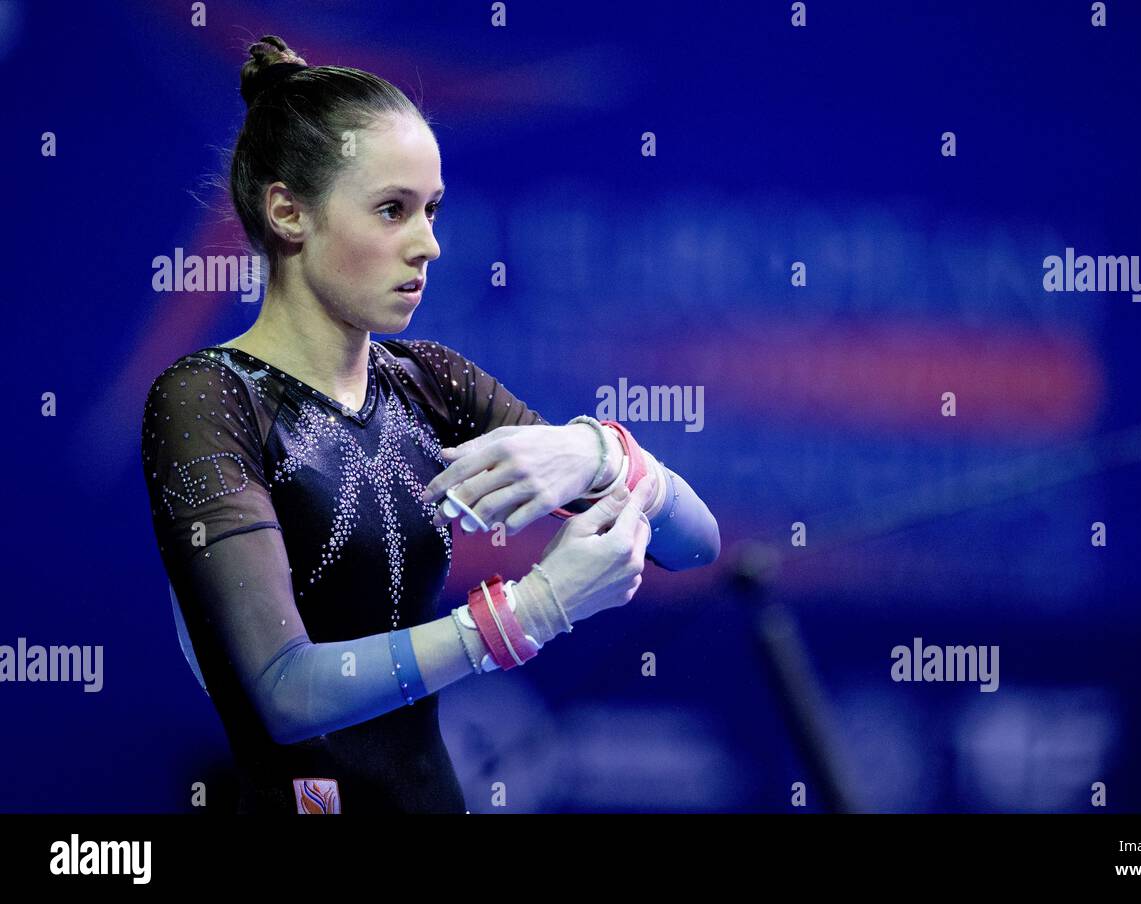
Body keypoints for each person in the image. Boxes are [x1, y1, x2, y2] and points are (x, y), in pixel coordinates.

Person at [139, 35, 721, 814]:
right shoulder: (206, 398)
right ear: (288, 212)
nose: (429, 243)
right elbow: (283, 689)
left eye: (432, 210)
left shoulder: (430, 383)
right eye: (391, 210)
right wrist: (527, 612)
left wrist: (598, 456)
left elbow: (696, 543)